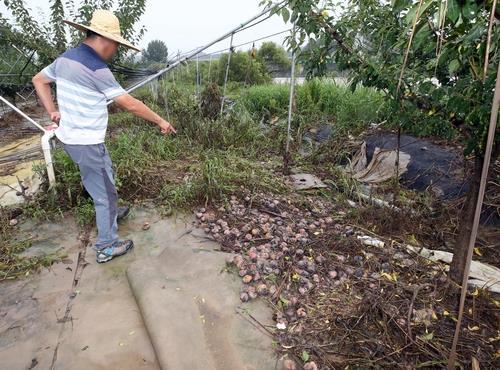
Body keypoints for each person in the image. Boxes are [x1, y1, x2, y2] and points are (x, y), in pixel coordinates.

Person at [32, 9, 176, 263]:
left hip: (74, 138)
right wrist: (160, 120)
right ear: (105, 40)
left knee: (104, 174)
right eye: (116, 45)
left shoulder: (65, 59)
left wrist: (52, 111)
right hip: (85, 142)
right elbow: (130, 104)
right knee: (104, 193)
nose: (115, 51)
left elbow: (39, 80)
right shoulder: (97, 69)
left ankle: (110, 211)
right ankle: (106, 246)